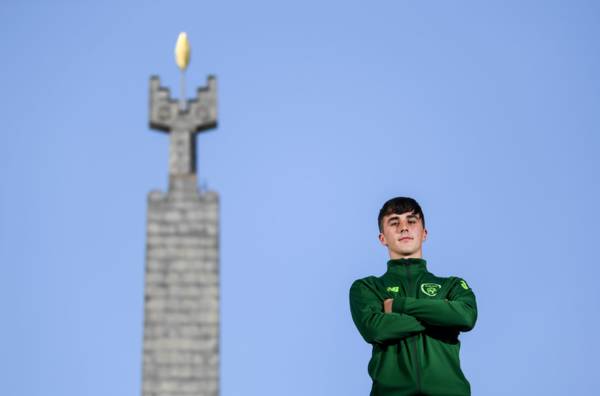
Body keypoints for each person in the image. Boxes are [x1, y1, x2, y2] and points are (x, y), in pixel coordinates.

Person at [349, 197, 477, 396]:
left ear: (424, 233)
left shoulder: (451, 285)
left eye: (411, 221)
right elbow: (374, 329)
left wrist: (399, 306)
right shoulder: (368, 287)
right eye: (394, 222)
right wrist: (440, 313)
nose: (403, 228)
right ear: (382, 238)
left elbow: (466, 317)